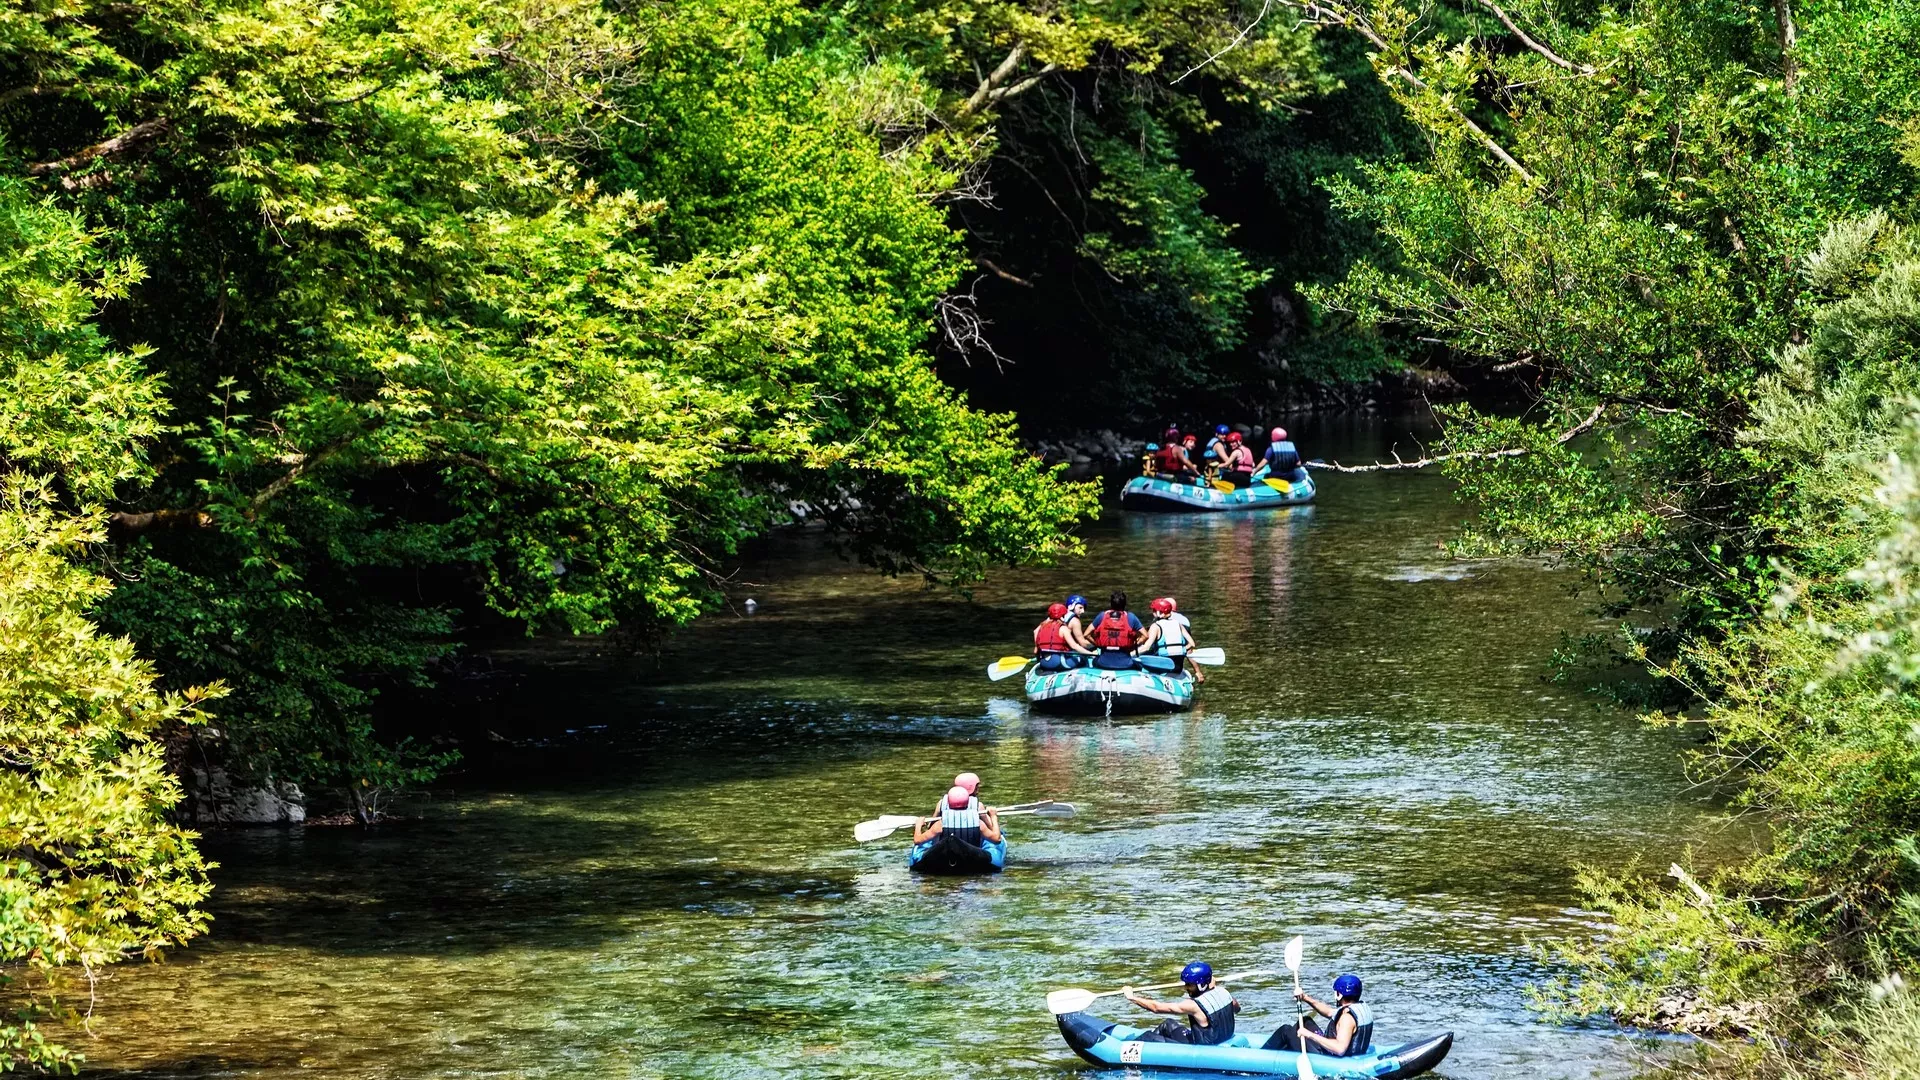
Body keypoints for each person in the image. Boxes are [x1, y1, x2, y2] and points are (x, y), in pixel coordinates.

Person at [1122, 961, 1240, 1045]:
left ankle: (1124, 1051)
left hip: (1204, 1046)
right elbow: (1236, 1009)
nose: (1186, 988)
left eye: (1189, 985)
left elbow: (1156, 1008)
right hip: (1221, 1037)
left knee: (1148, 1037)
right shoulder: (1224, 992)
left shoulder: (1193, 1005)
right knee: (1167, 1024)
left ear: (1202, 985)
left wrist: (1132, 997)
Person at [1261, 973, 1375, 1057]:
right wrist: (1305, 998)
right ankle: (1288, 1052)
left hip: (1330, 1057)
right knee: (1306, 1021)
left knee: (1285, 1030)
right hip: (1351, 1053)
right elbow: (1330, 1012)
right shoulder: (1360, 1008)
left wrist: (1309, 1034)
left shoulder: (1346, 1018)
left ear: (1339, 995)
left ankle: (1261, 1057)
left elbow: (1340, 1049)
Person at [1136, 597, 1203, 683]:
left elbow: (1146, 647)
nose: (1152, 613)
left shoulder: (1156, 626)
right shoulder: (1179, 623)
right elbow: (1192, 644)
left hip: (1163, 669)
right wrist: (1197, 671)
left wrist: (1130, 654)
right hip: (1177, 667)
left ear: (1159, 612)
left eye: (1153, 611)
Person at [913, 785, 1002, 846]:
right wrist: (993, 816)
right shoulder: (978, 823)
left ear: (948, 802)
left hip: (946, 856)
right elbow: (997, 839)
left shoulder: (940, 824)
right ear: (967, 801)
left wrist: (918, 825)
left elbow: (918, 841)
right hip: (971, 858)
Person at [1087, 590, 1144, 669]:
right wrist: (1134, 646)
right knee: (1139, 666)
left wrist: (1098, 645)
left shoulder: (1102, 616)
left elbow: (1086, 634)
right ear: (1124, 604)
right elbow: (1145, 636)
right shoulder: (1131, 617)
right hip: (1126, 663)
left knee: (1093, 661)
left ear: (1111, 604)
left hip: (1103, 663)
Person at [1034, 602, 1094, 669]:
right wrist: (1091, 654)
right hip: (1058, 662)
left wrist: (1036, 650)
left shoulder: (1041, 627)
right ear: (1062, 616)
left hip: (1044, 663)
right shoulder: (1063, 628)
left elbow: (1035, 634)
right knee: (1083, 658)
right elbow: (1074, 646)